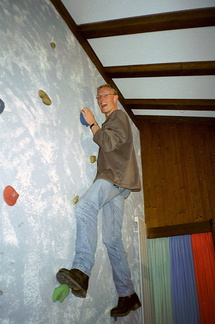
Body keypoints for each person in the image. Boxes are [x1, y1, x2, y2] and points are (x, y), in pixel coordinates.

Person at [54, 84, 141, 318]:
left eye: (105, 95)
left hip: (115, 178)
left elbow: (109, 143)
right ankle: (128, 295)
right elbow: (112, 144)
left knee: (85, 207)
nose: (101, 98)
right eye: (98, 96)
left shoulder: (118, 116)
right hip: (120, 184)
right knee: (112, 240)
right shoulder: (113, 121)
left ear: (116, 98)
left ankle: (81, 270)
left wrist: (92, 123)